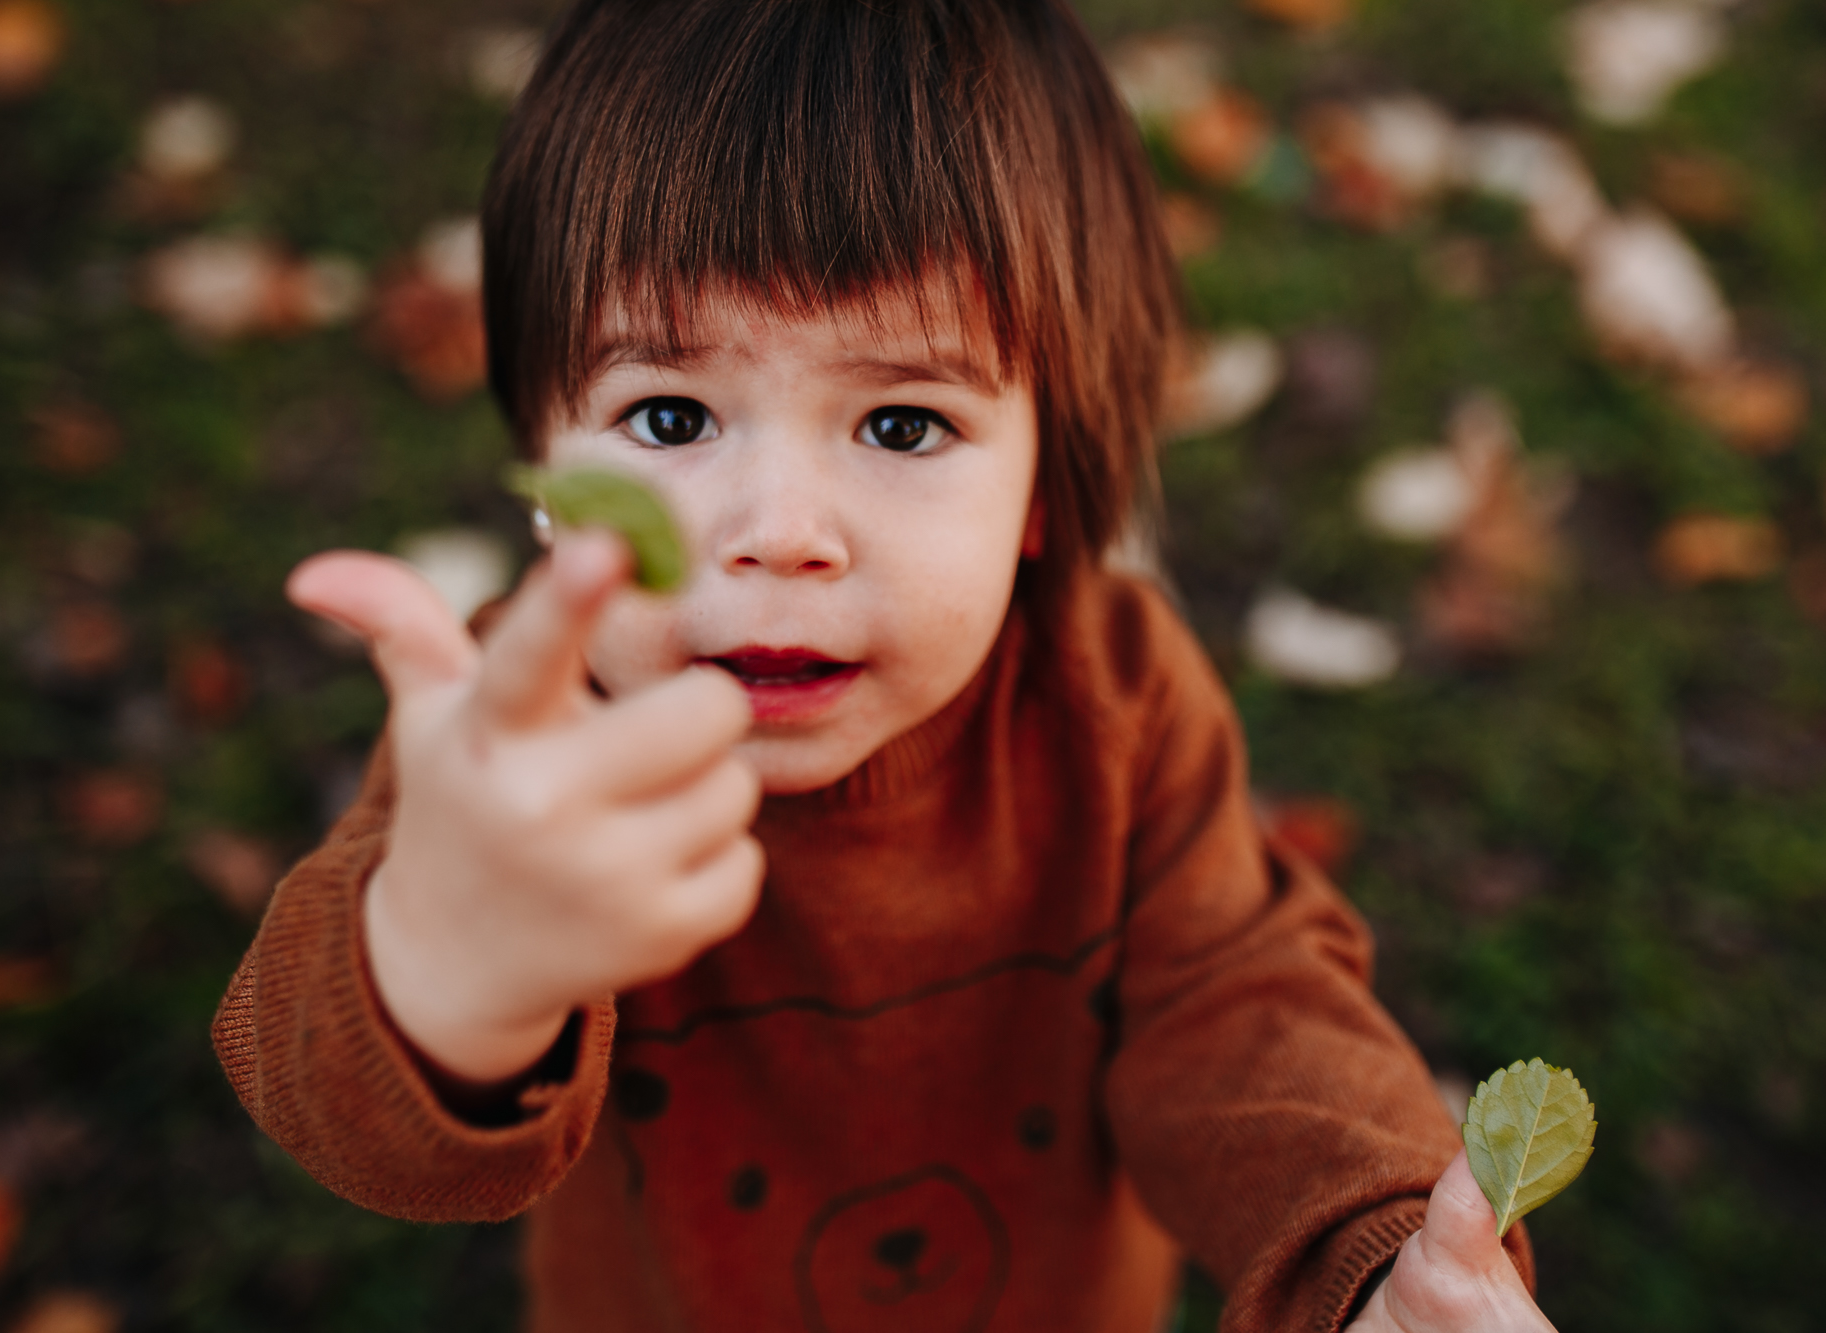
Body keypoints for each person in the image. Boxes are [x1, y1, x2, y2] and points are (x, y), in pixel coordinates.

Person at [212, 0, 1555, 1328]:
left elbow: (1235, 1001)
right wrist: (450, 960)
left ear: (1043, 484)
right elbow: (348, 1107)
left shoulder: (1115, 697)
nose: (781, 535)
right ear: (548, 458)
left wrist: (1371, 1259)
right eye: (670, 414)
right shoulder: (520, 732)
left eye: (904, 424)